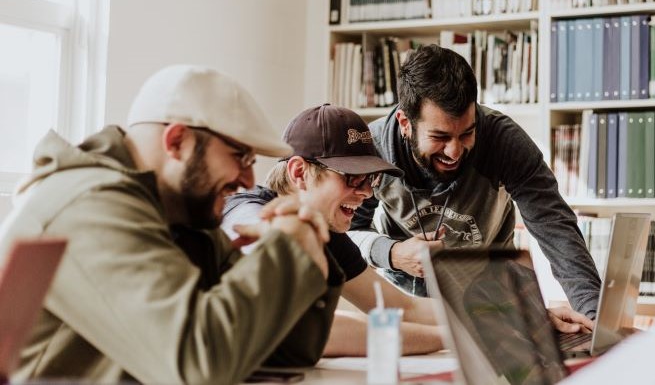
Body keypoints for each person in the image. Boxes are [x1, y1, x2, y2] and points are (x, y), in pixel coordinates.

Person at [0, 65, 342, 384]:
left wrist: (308, 250)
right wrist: (287, 250)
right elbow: (197, 365)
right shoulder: (89, 206)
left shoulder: (181, 215)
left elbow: (282, 353)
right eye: (240, 157)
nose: (249, 179)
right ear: (177, 141)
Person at [224, 104, 592, 358]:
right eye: (352, 178)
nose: (367, 192)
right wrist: (475, 336)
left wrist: (517, 316)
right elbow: (310, 330)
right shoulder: (249, 217)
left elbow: (400, 307)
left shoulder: (327, 233)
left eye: (370, 179)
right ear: (299, 172)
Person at [348, 44, 602, 319]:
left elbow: (556, 229)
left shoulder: (504, 141)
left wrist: (593, 317)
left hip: (492, 302)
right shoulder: (372, 150)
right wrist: (393, 253)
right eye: (440, 137)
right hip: (405, 305)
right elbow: (347, 234)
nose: (454, 151)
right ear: (405, 123)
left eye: (467, 133)